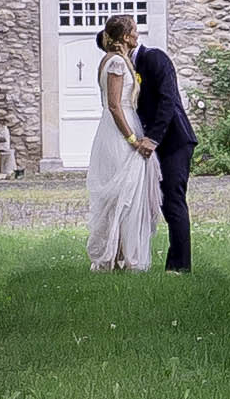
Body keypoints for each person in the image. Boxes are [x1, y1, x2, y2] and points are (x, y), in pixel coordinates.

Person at [86, 14, 159, 270]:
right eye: (135, 31)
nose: (138, 36)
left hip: (120, 126)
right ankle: (118, 256)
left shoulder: (114, 60)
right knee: (124, 195)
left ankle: (119, 254)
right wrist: (132, 139)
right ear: (126, 36)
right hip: (119, 132)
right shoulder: (116, 62)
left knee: (125, 194)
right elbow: (115, 106)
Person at [130, 24, 199, 271]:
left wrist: (153, 138)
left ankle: (179, 266)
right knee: (156, 203)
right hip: (150, 142)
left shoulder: (154, 58)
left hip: (174, 141)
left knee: (173, 201)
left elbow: (168, 100)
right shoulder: (128, 67)